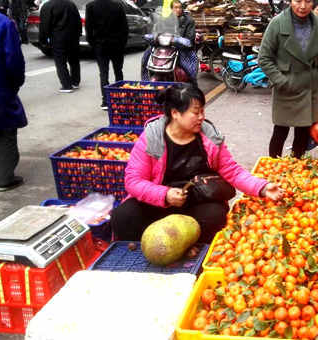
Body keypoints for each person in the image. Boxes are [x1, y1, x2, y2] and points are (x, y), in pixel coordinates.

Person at [111, 84, 283, 242]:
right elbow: (133, 181)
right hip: (159, 202)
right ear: (175, 113)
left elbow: (232, 171)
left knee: (216, 216)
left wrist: (263, 187)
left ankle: (194, 252)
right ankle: (144, 252)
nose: (201, 117)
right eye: (195, 112)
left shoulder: (209, 137)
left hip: (195, 203)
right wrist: (164, 195)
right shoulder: (152, 138)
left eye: (202, 111)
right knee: (123, 216)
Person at [258, 0, 318, 159]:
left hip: (308, 88)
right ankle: (273, 168)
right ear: (290, 0)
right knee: (280, 131)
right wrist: (281, 81)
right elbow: (264, 58)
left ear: (314, 2)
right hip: (286, 88)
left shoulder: (317, 24)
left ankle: (296, 169)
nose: (303, 6)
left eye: (307, 1)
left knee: (302, 134)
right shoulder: (277, 24)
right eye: (298, 0)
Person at [0, 7, 27, 191]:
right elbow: (14, 60)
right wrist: (14, 85)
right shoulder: (0, 23)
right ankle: (5, 178)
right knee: (5, 132)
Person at [85, 0, 129, 110]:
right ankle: (121, 97)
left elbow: (89, 28)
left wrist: (93, 43)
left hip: (100, 44)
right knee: (118, 71)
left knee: (103, 73)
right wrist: (123, 43)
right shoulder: (117, 6)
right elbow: (124, 27)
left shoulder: (91, 6)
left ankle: (106, 101)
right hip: (116, 44)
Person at [141, 0, 198, 83]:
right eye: (175, 8)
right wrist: (155, 36)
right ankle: (145, 80)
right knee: (145, 57)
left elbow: (190, 39)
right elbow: (159, 30)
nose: (178, 10)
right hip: (165, 47)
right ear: (171, 9)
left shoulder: (189, 21)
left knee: (190, 68)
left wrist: (180, 41)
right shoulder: (166, 19)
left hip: (182, 48)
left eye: (179, 7)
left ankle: (192, 84)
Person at [39, 0, 82, 93]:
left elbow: (45, 25)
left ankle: (66, 85)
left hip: (58, 37)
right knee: (74, 60)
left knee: (60, 61)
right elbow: (78, 20)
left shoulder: (47, 6)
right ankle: (75, 82)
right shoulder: (70, 3)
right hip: (73, 37)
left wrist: (43, 39)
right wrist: (79, 34)